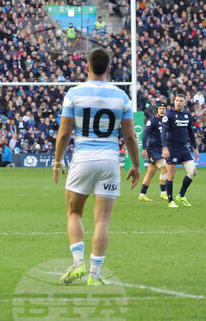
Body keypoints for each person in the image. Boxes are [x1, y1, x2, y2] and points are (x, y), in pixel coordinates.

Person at [53, 49, 140, 285]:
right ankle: (95, 275)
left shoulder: (74, 94)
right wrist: (136, 165)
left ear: (87, 66)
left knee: (74, 212)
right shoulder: (121, 96)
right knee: (102, 221)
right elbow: (130, 136)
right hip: (110, 160)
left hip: (83, 158)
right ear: (109, 68)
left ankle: (78, 264)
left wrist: (57, 161)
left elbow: (64, 132)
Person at [162, 94, 198, 208]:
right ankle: (170, 200)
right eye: (176, 100)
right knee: (171, 175)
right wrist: (164, 147)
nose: (178, 102)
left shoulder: (187, 115)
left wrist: (195, 148)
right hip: (172, 148)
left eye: (180, 101)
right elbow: (163, 132)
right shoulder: (169, 114)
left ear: (185, 103)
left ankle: (181, 196)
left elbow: (191, 133)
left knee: (193, 172)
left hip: (183, 148)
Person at [138, 104, 168, 201]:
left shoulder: (167, 121)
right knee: (164, 168)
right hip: (153, 149)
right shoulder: (152, 121)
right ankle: (163, 193)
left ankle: (142, 194)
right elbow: (145, 134)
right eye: (160, 109)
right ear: (157, 110)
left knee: (151, 172)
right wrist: (144, 148)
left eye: (163, 109)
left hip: (161, 149)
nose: (162, 110)